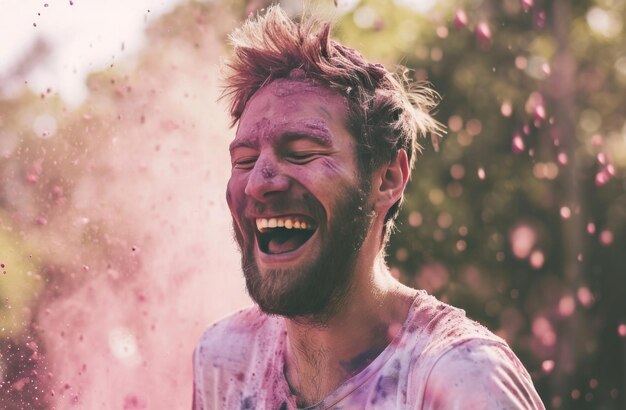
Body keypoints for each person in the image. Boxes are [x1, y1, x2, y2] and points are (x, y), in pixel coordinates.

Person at [193, 5, 545, 409]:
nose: (258, 183)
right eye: (244, 160)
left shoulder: (460, 380)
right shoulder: (226, 360)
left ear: (388, 179)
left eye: (303, 152)